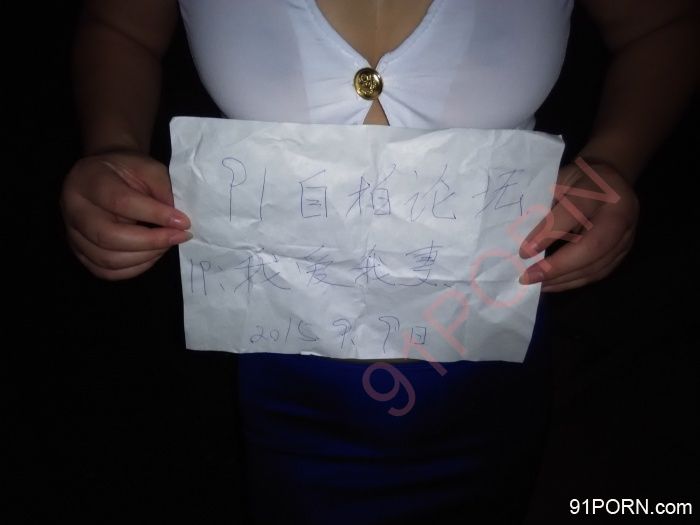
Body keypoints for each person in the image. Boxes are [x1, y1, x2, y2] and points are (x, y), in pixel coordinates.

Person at [60, 1, 698, 522]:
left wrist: (610, 164)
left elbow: (662, 23)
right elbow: (119, 24)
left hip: (486, 352)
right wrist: (111, 144)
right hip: (262, 372)